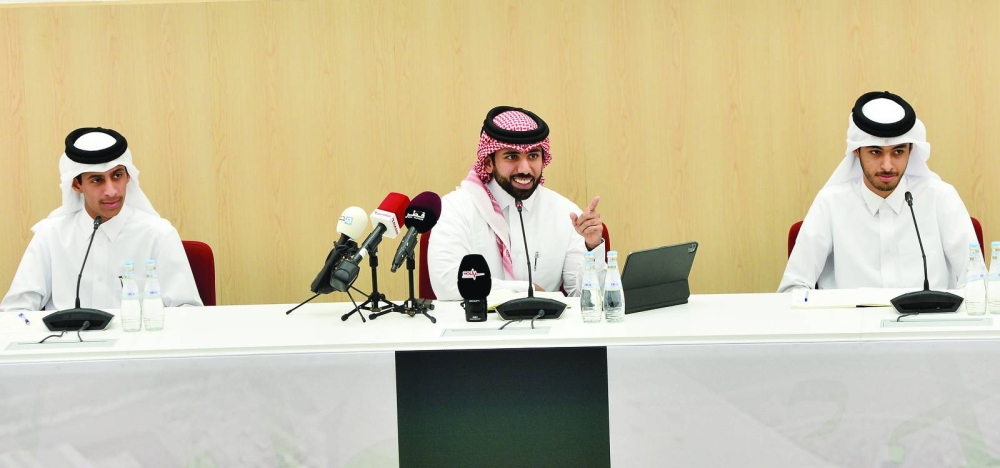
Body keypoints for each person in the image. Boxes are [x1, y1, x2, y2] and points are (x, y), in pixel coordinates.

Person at [778, 91, 978, 292]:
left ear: (911, 150)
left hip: (929, 322)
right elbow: (793, 287)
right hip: (848, 323)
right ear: (856, 151)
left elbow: (976, 279)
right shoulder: (830, 204)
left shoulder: (940, 198)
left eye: (898, 152)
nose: (887, 166)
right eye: (875, 152)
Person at [2, 127, 203, 312]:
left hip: (138, 348)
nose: (111, 191)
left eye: (117, 175)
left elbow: (187, 311)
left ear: (128, 177)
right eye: (97, 180)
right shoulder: (50, 235)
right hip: (68, 347)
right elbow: (17, 311)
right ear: (76, 185)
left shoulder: (158, 234)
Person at [428, 106, 606, 300]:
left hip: (545, 327)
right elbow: (447, 283)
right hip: (476, 327)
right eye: (512, 157)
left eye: (533, 156)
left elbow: (588, 298)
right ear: (488, 163)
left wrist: (592, 248)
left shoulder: (565, 213)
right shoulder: (456, 209)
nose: (525, 168)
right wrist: (527, 291)